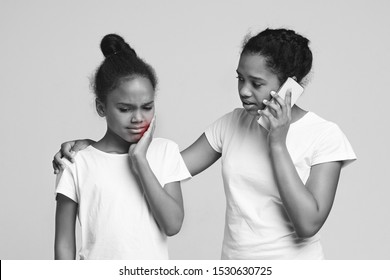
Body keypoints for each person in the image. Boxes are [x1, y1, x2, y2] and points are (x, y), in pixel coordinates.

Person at [53, 28, 356, 259]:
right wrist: (92, 147)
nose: (244, 92)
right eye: (240, 79)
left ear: (290, 85)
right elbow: (165, 167)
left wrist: (277, 141)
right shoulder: (232, 123)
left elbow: (307, 223)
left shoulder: (324, 136)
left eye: (256, 83)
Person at [54, 34, 191, 260]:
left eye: (147, 107)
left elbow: (173, 224)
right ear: (101, 107)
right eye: (125, 109)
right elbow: (64, 245)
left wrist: (140, 160)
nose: (138, 118)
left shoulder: (165, 152)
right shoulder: (76, 161)